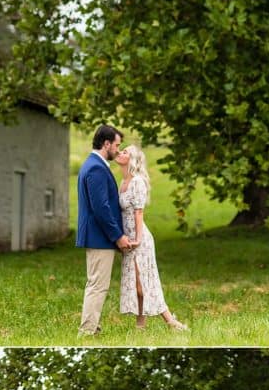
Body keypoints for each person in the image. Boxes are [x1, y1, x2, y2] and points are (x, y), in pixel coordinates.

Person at [114, 145, 188, 331]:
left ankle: (171, 322)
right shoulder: (123, 182)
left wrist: (137, 239)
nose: (120, 152)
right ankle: (141, 326)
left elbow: (139, 213)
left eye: (125, 152)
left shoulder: (137, 182)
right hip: (128, 240)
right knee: (137, 283)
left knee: (144, 284)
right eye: (121, 150)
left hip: (140, 240)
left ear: (131, 160)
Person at [77, 125, 132, 336]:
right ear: (106, 143)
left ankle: (93, 328)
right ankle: (87, 331)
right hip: (99, 237)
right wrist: (117, 236)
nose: (118, 150)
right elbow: (101, 208)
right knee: (97, 286)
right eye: (117, 145)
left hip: (98, 236)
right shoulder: (96, 168)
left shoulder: (94, 165)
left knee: (98, 284)